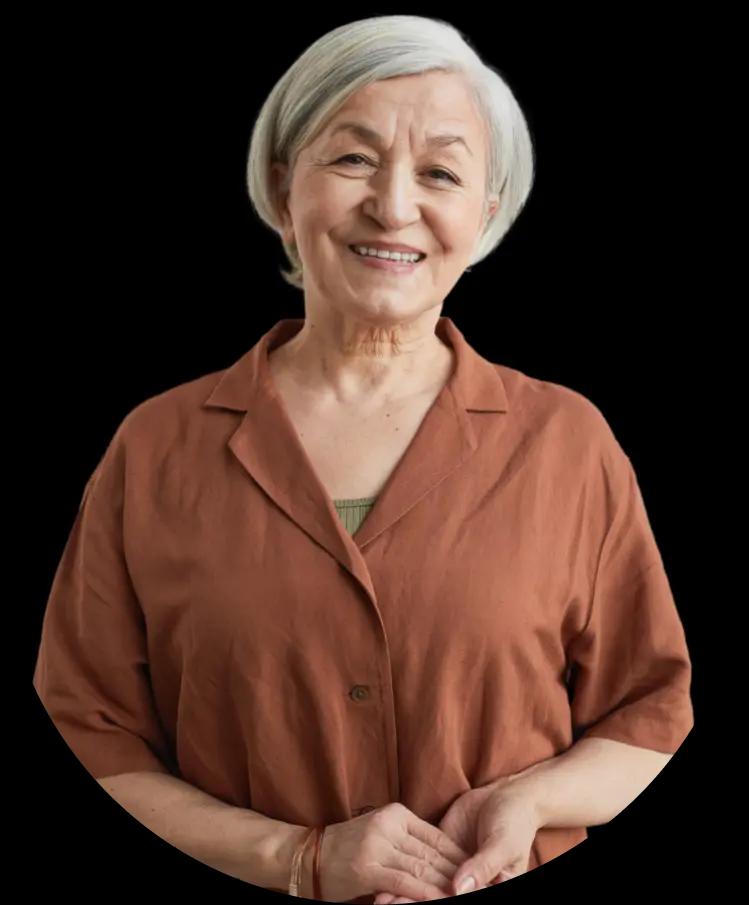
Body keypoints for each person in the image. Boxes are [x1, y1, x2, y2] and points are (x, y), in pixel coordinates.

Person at [32, 14, 694, 904]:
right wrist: (296, 860)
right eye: (351, 159)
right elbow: (87, 731)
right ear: (280, 186)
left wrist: (524, 803)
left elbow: (650, 716)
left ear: (484, 213)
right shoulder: (156, 446)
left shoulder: (566, 441)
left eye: (440, 173)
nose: (392, 205)